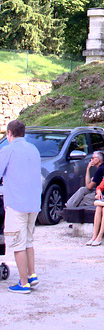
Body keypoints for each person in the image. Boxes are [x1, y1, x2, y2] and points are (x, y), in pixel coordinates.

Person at [0, 119, 42, 294]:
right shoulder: (34, 149)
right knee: (28, 241)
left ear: (9, 133)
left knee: (17, 243)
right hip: (34, 203)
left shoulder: (8, 150)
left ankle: (23, 283)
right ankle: (32, 275)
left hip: (16, 203)